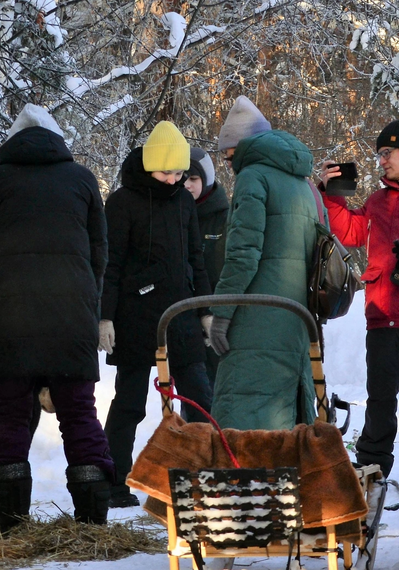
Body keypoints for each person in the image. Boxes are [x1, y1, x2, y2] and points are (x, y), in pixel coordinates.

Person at [0, 103, 115, 533]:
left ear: (11, 142)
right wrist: (86, 306)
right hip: (73, 322)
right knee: (80, 416)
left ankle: (12, 528)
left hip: (6, 322)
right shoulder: (83, 180)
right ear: (58, 140)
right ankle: (91, 527)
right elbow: (99, 257)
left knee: (8, 418)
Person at [99, 121, 214, 508]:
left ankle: (201, 480)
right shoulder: (121, 203)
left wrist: (205, 310)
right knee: (129, 402)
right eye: (167, 172)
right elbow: (109, 265)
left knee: (199, 395)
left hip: (180, 314)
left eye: (180, 173)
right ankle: (115, 483)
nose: (174, 180)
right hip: (134, 318)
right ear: (149, 167)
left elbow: (195, 258)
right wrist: (105, 317)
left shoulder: (183, 202)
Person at [209, 95, 318, 431]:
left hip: (257, 316)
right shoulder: (304, 182)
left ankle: (244, 483)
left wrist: (222, 312)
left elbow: (243, 254)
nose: (230, 165)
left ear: (241, 148)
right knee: (289, 413)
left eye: (229, 156)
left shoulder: (252, 177)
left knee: (245, 412)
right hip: (297, 317)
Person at [319, 117, 399, 478]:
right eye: (380, 154)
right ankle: (372, 465)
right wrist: (331, 193)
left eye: (389, 152)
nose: (382, 160)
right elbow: (349, 231)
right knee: (381, 396)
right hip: (384, 313)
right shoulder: (378, 201)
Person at [184, 147, 230, 385]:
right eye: (182, 178)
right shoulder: (175, 216)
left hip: (219, 320)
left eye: (193, 179)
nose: (187, 185)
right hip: (185, 317)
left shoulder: (225, 218)